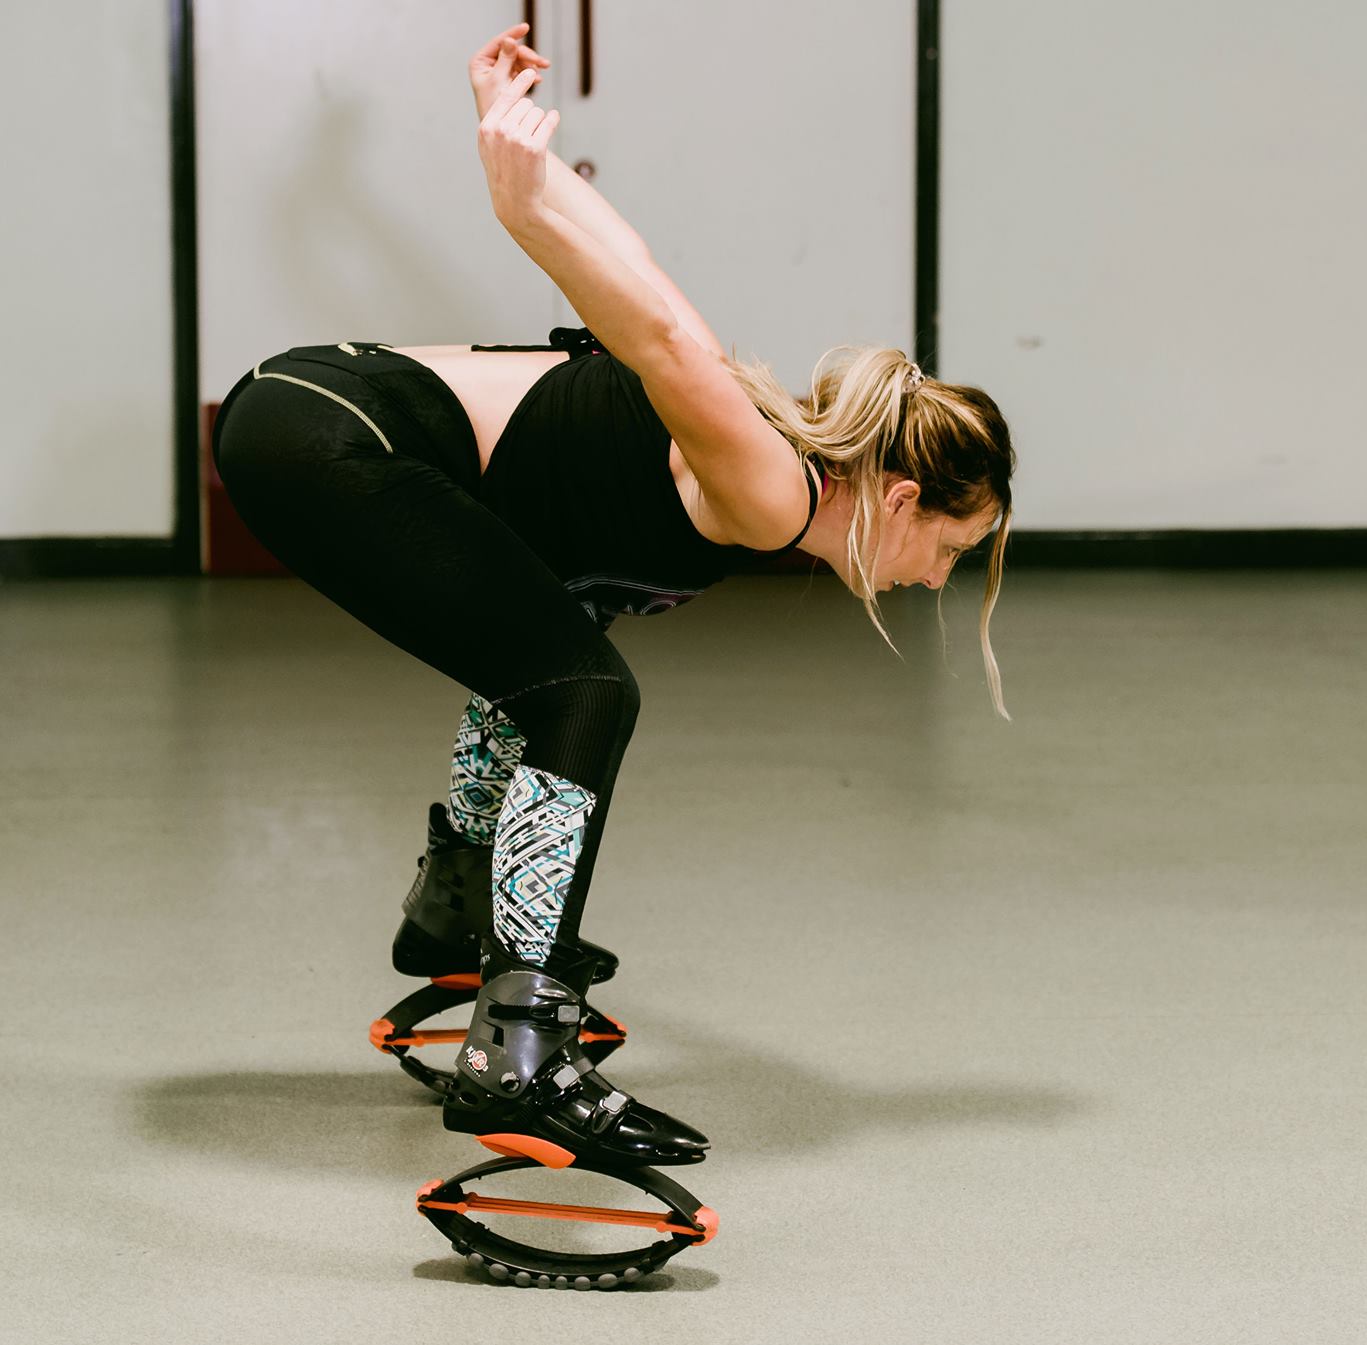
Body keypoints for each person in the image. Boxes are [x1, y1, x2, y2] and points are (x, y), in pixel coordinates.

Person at [212, 26, 1016, 1167]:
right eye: (949, 548)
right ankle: (520, 1055)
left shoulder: (759, 455)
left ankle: (456, 900)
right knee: (585, 690)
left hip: (314, 411)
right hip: (332, 434)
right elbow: (656, 326)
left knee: (551, 640)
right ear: (896, 496)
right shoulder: (765, 481)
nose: (935, 580)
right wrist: (520, 198)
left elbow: (640, 265)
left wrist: (536, 171)